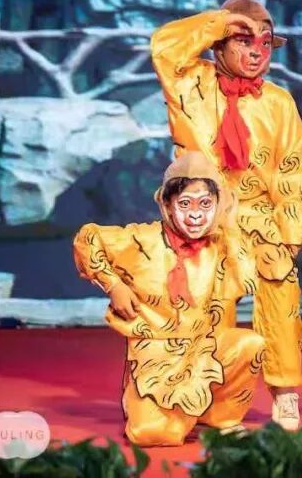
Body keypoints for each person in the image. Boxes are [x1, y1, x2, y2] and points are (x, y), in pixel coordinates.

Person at [150, 0, 302, 429]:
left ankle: (285, 391)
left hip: (260, 218)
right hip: (206, 219)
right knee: (210, 305)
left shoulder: (278, 101)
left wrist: (291, 229)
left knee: (281, 298)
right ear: (220, 45)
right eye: (243, 41)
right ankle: (209, 395)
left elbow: (295, 166)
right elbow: (164, 47)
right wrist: (220, 21)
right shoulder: (192, 84)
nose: (256, 52)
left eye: (264, 42)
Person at [73, 152, 263, 446]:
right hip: (156, 355)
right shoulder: (143, 240)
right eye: (185, 204)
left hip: (203, 348)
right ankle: (150, 404)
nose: (195, 215)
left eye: (205, 204)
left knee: (250, 344)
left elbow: (249, 266)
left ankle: (218, 418)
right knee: (154, 435)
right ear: (167, 204)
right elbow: (88, 240)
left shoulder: (223, 245)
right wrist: (114, 285)